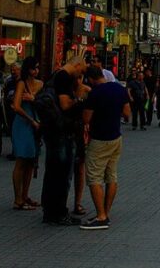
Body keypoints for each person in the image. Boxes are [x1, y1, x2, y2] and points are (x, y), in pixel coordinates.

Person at [80, 65, 131, 230]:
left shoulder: (94, 93)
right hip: (116, 137)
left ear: (90, 79)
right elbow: (127, 113)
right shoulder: (119, 89)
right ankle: (105, 212)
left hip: (99, 139)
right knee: (111, 176)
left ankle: (101, 216)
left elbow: (86, 119)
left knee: (94, 176)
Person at [39, 56, 86, 226]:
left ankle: (50, 210)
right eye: (82, 70)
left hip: (53, 130)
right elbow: (65, 105)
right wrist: (79, 98)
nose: (81, 75)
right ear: (77, 64)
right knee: (62, 172)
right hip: (62, 131)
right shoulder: (65, 77)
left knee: (53, 170)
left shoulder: (55, 75)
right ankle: (58, 211)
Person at [11, 57, 41, 211]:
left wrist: (34, 99)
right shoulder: (21, 83)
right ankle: (18, 199)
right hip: (23, 124)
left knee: (31, 161)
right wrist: (32, 120)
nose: (36, 71)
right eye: (33, 68)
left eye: (37, 68)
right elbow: (16, 106)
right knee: (22, 160)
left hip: (36, 125)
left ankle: (25, 195)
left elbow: (43, 103)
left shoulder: (40, 84)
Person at [71, 73, 91, 217]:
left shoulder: (87, 91)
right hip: (68, 131)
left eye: (79, 77)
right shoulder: (65, 91)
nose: (77, 81)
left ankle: (77, 202)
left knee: (79, 168)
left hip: (81, 132)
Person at [3, 62, 22, 159]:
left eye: (15, 70)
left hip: (19, 108)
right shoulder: (9, 80)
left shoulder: (23, 81)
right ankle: (15, 150)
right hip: (10, 108)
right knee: (12, 130)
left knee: (18, 130)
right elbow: (5, 92)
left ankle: (17, 151)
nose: (13, 71)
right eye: (12, 70)